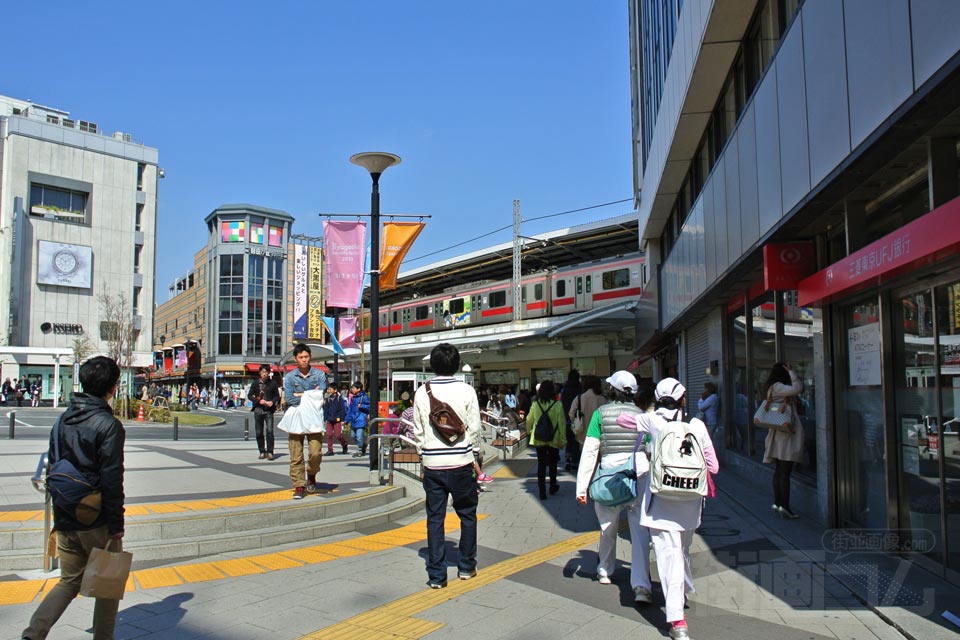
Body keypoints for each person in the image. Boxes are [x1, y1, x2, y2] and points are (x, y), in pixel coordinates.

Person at [22, 356, 125, 640]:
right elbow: (112, 479)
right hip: (96, 518)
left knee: (68, 581)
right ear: (113, 387)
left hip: (65, 513)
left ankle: (33, 633)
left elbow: (54, 463)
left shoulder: (63, 418)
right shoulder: (108, 425)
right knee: (107, 585)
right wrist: (116, 525)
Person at [618, 378, 719, 640]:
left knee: (668, 557)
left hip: (659, 500)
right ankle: (681, 592)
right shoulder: (696, 424)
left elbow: (622, 422)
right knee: (681, 552)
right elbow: (714, 466)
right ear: (683, 399)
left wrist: (644, 414)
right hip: (691, 503)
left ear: (657, 398)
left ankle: (678, 622)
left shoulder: (653, 420)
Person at [411, 343, 483, 589]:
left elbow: (418, 430)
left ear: (433, 364)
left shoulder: (422, 392)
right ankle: (466, 566)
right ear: (456, 364)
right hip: (461, 462)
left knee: (435, 518)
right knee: (467, 515)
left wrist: (423, 452)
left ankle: (437, 576)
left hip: (433, 464)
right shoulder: (466, 390)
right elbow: (474, 428)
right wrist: (475, 454)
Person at [575, 371, 652, 600]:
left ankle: (605, 570)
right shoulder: (642, 415)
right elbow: (650, 449)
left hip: (608, 475)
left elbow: (590, 451)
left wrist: (582, 487)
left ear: (612, 389)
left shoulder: (601, 414)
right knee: (640, 532)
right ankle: (641, 585)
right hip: (638, 474)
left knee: (607, 525)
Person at [282, 344, 327, 499]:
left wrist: (301, 395)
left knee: (316, 452)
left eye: (306, 357)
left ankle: (312, 474)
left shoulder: (319, 375)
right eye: (300, 357)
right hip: (296, 418)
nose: (304, 360)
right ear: (296, 359)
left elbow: (319, 397)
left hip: (314, 418)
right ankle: (299, 486)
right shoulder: (290, 377)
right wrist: (309, 395)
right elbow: (289, 398)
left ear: (310, 357)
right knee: (296, 455)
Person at [761, 362, 804, 519]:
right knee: (784, 471)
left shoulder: (773, 387)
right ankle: (784, 506)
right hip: (785, 434)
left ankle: (778, 503)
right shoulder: (778, 386)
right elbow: (798, 388)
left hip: (779, 433)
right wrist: (792, 372)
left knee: (780, 470)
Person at [526, 380, 566, 500]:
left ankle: (542, 491)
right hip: (554, 438)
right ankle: (553, 486)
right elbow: (562, 424)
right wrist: (563, 439)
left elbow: (529, 419)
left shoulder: (536, 404)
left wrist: (529, 431)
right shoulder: (558, 405)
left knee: (541, 465)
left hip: (539, 439)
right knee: (553, 464)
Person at [249, 365, 280, 460]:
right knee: (259, 432)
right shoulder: (255, 383)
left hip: (269, 410)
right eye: (262, 372)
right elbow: (250, 395)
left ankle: (270, 452)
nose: (264, 374)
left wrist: (272, 402)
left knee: (270, 431)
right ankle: (262, 451)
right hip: (258, 409)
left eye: (266, 372)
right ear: (259, 373)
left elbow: (277, 396)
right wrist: (258, 401)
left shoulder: (273, 383)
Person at [569, 375, 607, 445]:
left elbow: (571, 414)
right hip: (599, 435)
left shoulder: (579, 398)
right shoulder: (603, 399)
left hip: (582, 435)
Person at [560, 369, 582, 471]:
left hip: (567, 419)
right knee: (576, 441)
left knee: (569, 440)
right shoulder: (580, 389)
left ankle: (568, 459)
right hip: (578, 419)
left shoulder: (564, 390)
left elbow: (562, 403)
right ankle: (575, 461)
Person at [345, 381, 371, 458]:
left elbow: (370, 406)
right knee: (353, 436)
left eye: (353, 388)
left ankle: (360, 450)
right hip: (353, 420)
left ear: (358, 389)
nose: (352, 389)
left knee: (359, 436)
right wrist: (346, 420)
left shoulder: (364, 397)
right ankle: (363, 445)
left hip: (361, 419)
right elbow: (350, 410)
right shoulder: (353, 398)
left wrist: (362, 406)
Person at [324, 385, 349, 455]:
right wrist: (325, 418)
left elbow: (342, 409)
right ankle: (330, 450)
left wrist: (342, 419)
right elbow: (325, 409)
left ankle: (344, 444)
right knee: (328, 435)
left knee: (337, 435)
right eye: (328, 389)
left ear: (335, 390)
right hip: (329, 419)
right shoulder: (328, 399)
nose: (328, 391)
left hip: (337, 419)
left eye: (330, 389)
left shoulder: (339, 399)